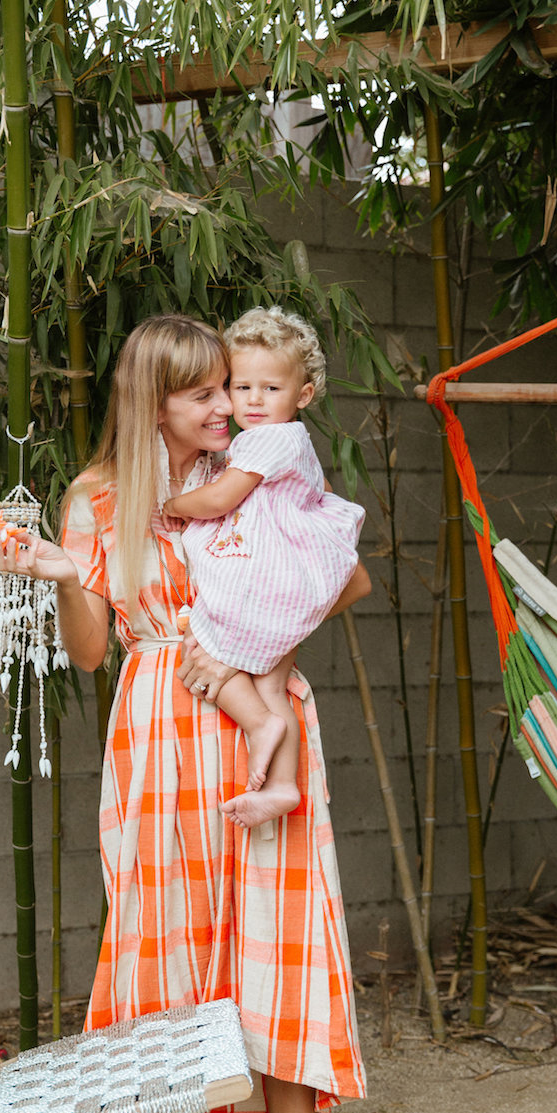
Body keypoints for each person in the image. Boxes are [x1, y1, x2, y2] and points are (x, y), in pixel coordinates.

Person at [0, 312, 370, 1113]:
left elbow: (350, 573)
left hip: (251, 716)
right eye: (204, 391)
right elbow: (86, 650)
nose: (225, 405)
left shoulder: (256, 478)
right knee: (168, 962)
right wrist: (72, 575)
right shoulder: (100, 498)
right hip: (158, 732)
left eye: (229, 388)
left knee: (277, 961)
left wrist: (262, 644)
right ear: (153, 400)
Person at [161, 307, 366, 832]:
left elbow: (223, 498)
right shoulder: (272, 441)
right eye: (241, 385)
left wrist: (174, 505)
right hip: (287, 580)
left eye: (270, 388)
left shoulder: (273, 439)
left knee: (204, 645)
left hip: (269, 580)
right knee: (273, 686)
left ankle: (258, 726)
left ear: (304, 394)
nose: (252, 400)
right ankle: (281, 785)